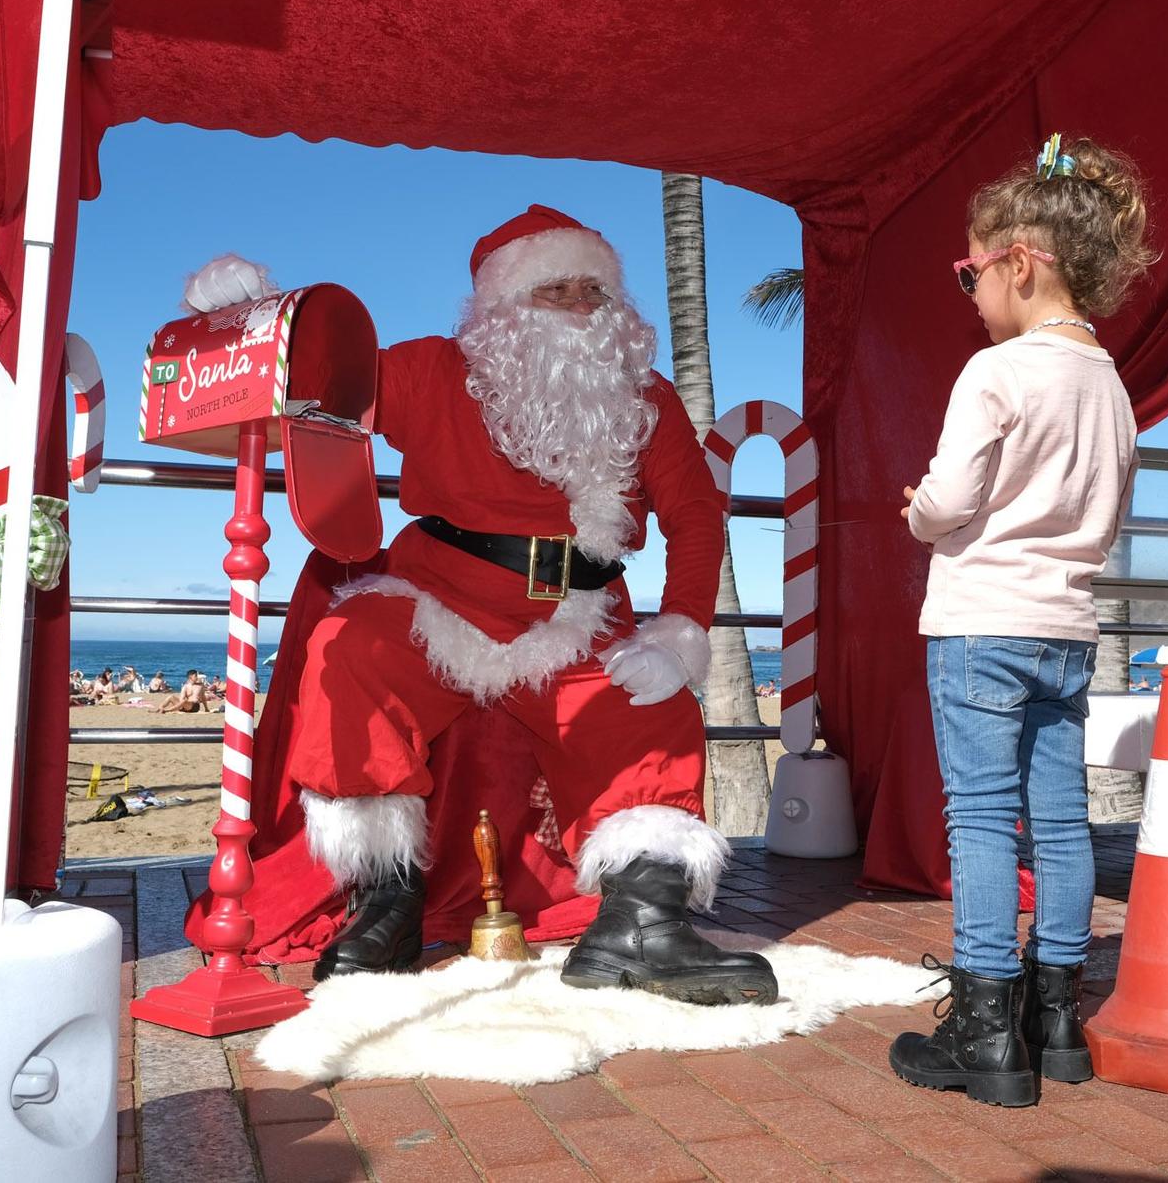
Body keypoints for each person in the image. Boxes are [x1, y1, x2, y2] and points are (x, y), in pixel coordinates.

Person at [184, 206, 775, 1006]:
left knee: (652, 709)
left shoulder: (648, 399)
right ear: (501, 308)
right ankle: (386, 902)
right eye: (551, 289)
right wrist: (251, 319)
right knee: (349, 648)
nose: (577, 306)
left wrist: (681, 627)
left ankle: (639, 924)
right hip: (438, 601)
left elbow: (697, 517)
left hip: (581, 617)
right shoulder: (432, 369)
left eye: (591, 291)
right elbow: (316, 385)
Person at [890, 135, 1149, 1108]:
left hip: (981, 622)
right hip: (1066, 626)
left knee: (978, 821)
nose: (967, 292)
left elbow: (949, 498)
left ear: (1019, 262)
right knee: (1060, 820)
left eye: (968, 271)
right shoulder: (1110, 388)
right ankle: (1055, 1021)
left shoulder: (995, 372)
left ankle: (984, 1030)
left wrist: (918, 507)